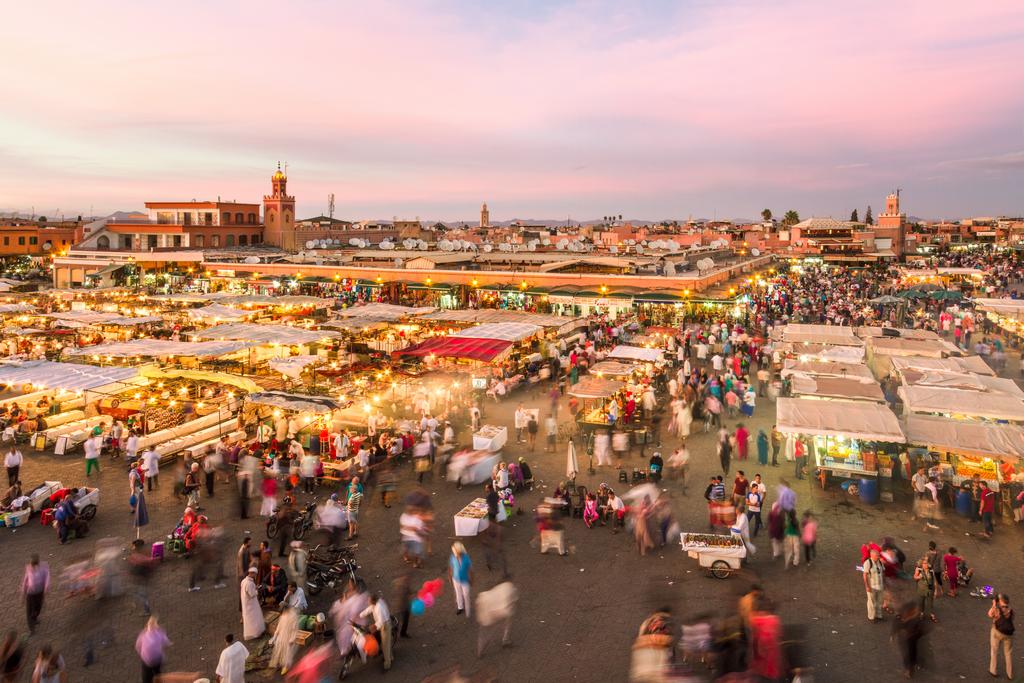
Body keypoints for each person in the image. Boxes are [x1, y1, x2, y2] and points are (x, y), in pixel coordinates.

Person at [476, 580, 518, 657]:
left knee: (484, 635)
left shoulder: (483, 596)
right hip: (498, 615)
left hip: (485, 618)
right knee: (499, 629)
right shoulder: (507, 588)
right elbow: (511, 602)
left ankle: (480, 652)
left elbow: (479, 606)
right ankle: (505, 640)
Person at [892, 601, 926, 679]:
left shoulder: (916, 620)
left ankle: (914, 663)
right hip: (904, 641)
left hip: (912, 640)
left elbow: (922, 630)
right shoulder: (900, 618)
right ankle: (908, 669)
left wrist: (915, 634)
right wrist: (893, 634)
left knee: (913, 652)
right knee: (906, 655)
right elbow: (895, 625)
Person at [360, 593, 393, 671]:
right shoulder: (375, 604)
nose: (368, 602)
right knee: (386, 643)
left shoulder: (379, 608)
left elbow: (381, 622)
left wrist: (374, 626)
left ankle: (387, 665)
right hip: (381, 623)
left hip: (385, 625)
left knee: (385, 646)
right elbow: (368, 610)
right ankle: (390, 657)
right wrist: (359, 616)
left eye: (369, 601)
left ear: (373, 601)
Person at [134, 616, 171, 683]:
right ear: (156, 626)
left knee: (146, 674)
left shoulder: (143, 634)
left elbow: (137, 646)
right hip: (157, 659)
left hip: (146, 660)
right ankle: (159, 679)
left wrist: (141, 653)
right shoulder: (160, 633)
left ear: (147, 625)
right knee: (157, 671)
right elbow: (166, 642)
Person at [988, 593, 1014, 679]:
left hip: (997, 632)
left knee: (994, 651)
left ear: (1001, 601)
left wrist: (994, 605)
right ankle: (1010, 674)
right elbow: (1011, 619)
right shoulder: (1011, 610)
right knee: (1008, 654)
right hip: (1008, 635)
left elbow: (989, 614)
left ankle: (993, 670)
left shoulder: (997, 609)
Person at [21, 555, 49, 634]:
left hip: (40, 592)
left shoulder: (43, 568)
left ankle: (35, 618)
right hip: (30, 593)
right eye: (31, 563)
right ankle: (31, 628)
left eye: (33, 563)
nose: (31, 565)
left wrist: (46, 587)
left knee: (38, 608)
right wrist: (23, 593)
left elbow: (47, 577)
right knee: (30, 611)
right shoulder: (28, 568)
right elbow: (25, 580)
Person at [448, 542, 473, 618]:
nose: (455, 553)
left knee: (466, 595)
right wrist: (449, 576)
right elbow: (451, 567)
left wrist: (471, 579)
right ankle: (460, 607)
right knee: (458, 593)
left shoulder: (466, 558)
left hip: (465, 580)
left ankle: (468, 610)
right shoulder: (453, 557)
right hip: (455, 579)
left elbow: (470, 570)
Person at [240, 567, 265, 640]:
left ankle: (253, 633)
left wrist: (255, 588)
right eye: (255, 574)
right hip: (251, 604)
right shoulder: (250, 583)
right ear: (252, 573)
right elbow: (252, 594)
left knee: (250, 619)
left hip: (246, 603)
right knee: (254, 618)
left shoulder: (244, 581)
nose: (255, 575)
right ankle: (256, 634)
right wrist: (257, 590)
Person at [863, 546, 886, 622]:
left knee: (879, 601)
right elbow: (865, 575)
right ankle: (871, 617)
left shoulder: (879, 562)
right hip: (872, 586)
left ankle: (879, 615)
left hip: (880, 585)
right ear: (872, 556)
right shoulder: (868, 563)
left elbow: (883, 572)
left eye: (879, 555)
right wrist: (867, 586)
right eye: (877, 556)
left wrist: (884, 582)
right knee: (872, 602)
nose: (878, 557)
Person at [914, 558, 937, 623]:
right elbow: (915, 577)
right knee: (921, 602)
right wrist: (919, 577)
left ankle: (931, 614)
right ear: (922, 564)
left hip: (930, 589)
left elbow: (934, 581)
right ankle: (921, 613)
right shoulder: (919, 570)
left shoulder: (931, 571)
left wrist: (936, 590)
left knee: (930, 602)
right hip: (921, 589)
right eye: (924, 563)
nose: (925, 564)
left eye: (926, 563)